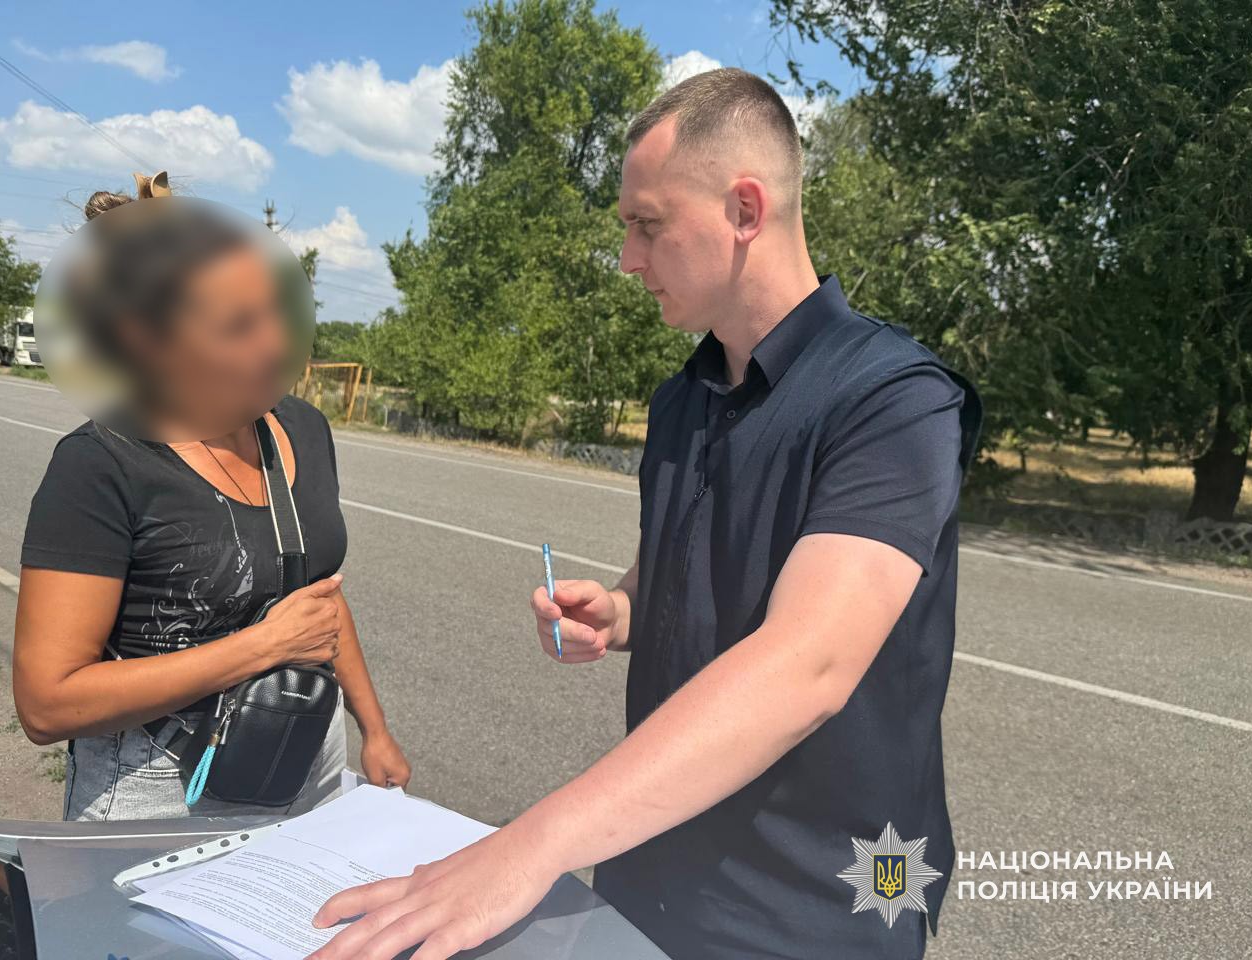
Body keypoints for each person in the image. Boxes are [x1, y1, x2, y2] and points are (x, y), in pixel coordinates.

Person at [307, 68, 981, 960]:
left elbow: (809, 663)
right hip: (652, 871)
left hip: (819, 906)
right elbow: (700, 575)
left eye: (648, 225)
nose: (628, 258)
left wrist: (530, 845)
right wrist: (621, 612)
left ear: (745, 210)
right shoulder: (681, 398)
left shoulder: (894, 399)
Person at [13, 174, 410, 821]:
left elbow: (319, 603)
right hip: (161, 783)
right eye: (238, 325)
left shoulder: (302, 428)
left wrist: (375, 729)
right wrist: (261, 647)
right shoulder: (101, 464)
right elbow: (46, 704)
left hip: (304, 748)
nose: (276, 343)